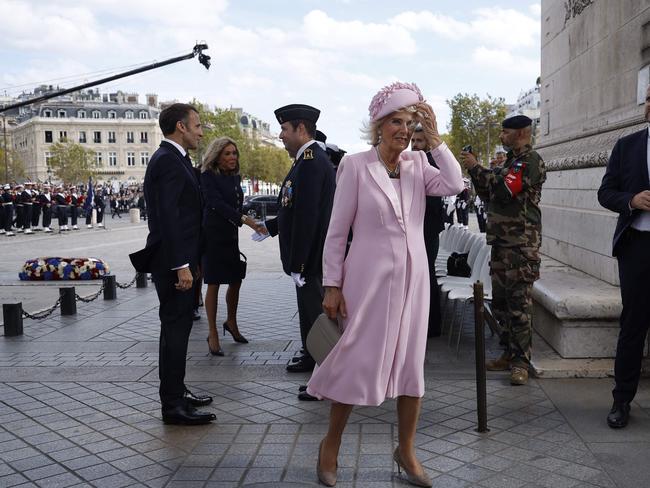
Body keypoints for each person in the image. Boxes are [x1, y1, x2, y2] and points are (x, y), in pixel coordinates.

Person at [307, 82, 463, 487]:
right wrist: (332, 284)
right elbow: (337, 231)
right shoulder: (355, 166)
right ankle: (330, 446)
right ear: (378, 125)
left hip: (414, 284)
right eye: (397, 121)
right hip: (366, 282)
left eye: (410, 122)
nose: (404, 129)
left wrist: (436, 140)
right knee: (356, 362)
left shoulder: (418, 166)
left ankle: (407, 451)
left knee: (412, 368)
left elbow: (455, 184)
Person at [130, 103, 215, 425]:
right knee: (176, 331)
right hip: (172, 261)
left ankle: (177, 392)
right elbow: (168, 218)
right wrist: (181, 264)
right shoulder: (167, 161)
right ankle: (172, 404)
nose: (201, 132)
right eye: (197, 125)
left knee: (178, 329)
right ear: (181, 126)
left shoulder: (175, 159)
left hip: (183, 259)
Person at [461, 114, 546, 386]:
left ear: (521, 133)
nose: (501, 136)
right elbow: (489, 194)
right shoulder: (511, 162)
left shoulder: (530, 162)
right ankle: (509, 354)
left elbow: (506, 188)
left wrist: (475, 167)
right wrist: (476, 174)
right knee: (501, 304)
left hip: (521, 247)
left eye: (505, 132)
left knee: (519, 305)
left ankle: (521, 362)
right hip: (501, 245)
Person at [256, 104, 336, 374]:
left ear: (301, 129)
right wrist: (270, 227)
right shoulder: (306, 161)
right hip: (308, 258)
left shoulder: (312, 162)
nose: (281, 136)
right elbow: (293, 209)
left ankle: (323, 372)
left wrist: (299, 264)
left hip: (310, 259)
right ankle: (311, 358)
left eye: (284, 129)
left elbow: (308, 218)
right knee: (308, 312)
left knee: (315, 316)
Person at [597, 84, 650, 429]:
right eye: (649, 98)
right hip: (638, 247)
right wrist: (631, 200)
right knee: (633, 325)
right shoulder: (627, 146)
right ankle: (621, 401)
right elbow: (606, 192)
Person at [200, 137, 264, 355]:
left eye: (234, 153)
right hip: (213, 235)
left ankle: (231, 322)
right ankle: (212, 332)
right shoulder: (207, 176)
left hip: (230, 235)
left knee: (236, 280)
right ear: (217, 156)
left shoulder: (234, 177)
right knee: (214, 283)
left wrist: (250, 219)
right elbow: (216, 204)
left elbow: (235, 205)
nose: (232, 157)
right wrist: (246, 221)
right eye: (227, 153)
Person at [411, 124, 446, 337]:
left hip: (427, 230)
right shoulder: (412, 162)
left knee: (427, 277)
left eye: (419, 141)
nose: (414, 145)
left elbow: (432, 204)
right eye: (413, 141)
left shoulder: (429, 164)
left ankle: (432, 326)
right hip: (420, 229)